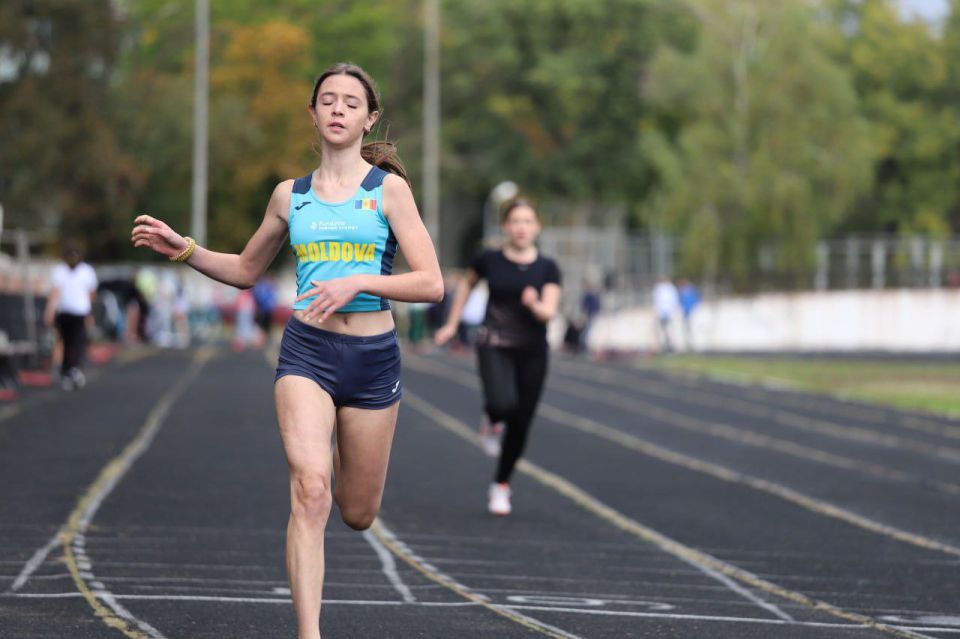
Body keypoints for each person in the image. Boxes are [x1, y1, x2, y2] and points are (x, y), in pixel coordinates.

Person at [132, 62, 443, 639]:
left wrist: (360, 282)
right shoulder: (289, 195)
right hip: (307, 352)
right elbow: (247, 270)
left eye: (352, 102)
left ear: (369, 117)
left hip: (373, 359)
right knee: (310, 490)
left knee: (357, 511)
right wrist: (185, 249)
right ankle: (309, 634)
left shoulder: (389, 192)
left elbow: (431, 283)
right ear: (312, 112)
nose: (338, 109)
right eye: (328, 100)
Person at [434, 197, 561, 516]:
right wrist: (451, 323)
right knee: (502, 402)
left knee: (521, 421)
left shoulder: (548, 268)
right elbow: (466, 286)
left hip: (532, 349)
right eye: (515, 221)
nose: (521, 228)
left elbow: (548, 312)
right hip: (494, 342)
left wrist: (534, 304)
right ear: (505, 226)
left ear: (537, 227)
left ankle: (501, 485)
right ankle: (491, 418)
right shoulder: (489, 259)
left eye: (528, 221)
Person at [43, 242, 98, 390]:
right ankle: (66, 370)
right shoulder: (60, 271)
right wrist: (49, 311)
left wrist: (89, 313)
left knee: (79, 341)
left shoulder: (86, 271)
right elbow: (55, 293)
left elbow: (90, 294)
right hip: (65, 312)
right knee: (66, 342)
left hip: (80, 312)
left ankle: (76, 368)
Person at [652, 275, 679, 353]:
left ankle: (670, 346)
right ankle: (663, 346)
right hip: (662, 312)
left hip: (668, 312)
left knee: (669, 330)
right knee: (662, 330)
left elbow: (673, 300)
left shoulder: (669, 288)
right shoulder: (659, 288)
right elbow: (657, 301)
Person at [677, 278, 700, 351]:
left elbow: (696, 300)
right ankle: (688, 344)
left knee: (691, 328)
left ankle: (692, 344)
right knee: (687, 328)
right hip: (686, 312)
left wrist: (693, 309)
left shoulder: (691, 291)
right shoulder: (683, 292)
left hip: (691, 312)